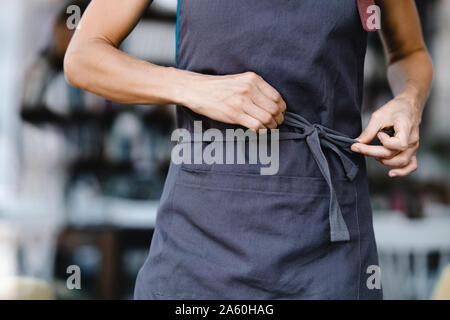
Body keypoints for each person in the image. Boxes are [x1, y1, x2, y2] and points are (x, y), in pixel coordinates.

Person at [64, 0, 433, 299]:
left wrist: (409, 101)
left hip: (328, 240)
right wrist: (197, 89)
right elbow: (83, 57)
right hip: (199, 246)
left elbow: (410, 52)